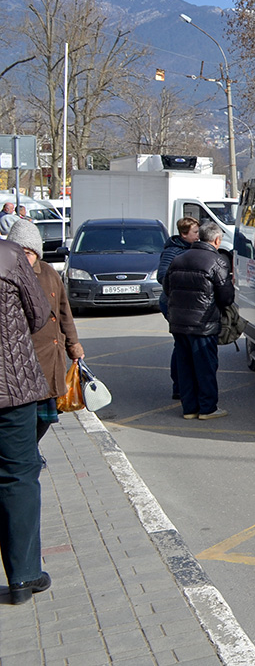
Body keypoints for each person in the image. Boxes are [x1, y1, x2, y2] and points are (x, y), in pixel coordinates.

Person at [0, 232, 53, 604]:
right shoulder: (10, 256)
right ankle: (23, 576)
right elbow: (38, 315)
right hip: (11, 386)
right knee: (18, 476)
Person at [5, 221, 83, 443]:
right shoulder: (7, 276)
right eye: (19, 251)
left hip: (51, 357)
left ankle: (31, 448)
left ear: (37, 254)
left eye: (28, 253)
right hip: (22, 359)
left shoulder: (48, 273)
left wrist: (74, 345)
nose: (24, 258)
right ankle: (28, 453)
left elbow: (63, 311)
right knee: (23, 417)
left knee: (48, 416)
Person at [164, 222, 234, 420]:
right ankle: (207, 408)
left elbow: (167, 288)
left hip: (179, 323)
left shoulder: (178, 259)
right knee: (205, 367)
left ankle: (189, 409)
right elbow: (226, 297)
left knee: (185, 366)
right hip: (204, 324)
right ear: (217, 240)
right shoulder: (217, 261)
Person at [158, 217, 199, 400]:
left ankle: (185, 384)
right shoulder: (173, 251)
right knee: (182, 344)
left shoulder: (192, 248)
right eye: (195, 232)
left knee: (184, 345)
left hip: (184, 303)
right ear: (184, 234)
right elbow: (162, 276)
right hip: (173, 303)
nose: (198, 236)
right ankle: (179, 385)